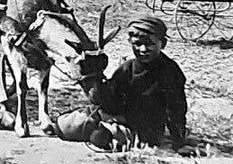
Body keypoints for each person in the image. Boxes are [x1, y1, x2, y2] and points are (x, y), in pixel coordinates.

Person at [58, 15, 189, 152]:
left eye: (150, 44)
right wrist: (94, 76)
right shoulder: (128, 67)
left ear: (162, 43)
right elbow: (109, 98)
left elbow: (176, 108)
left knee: (101, 138)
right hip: (117, 115)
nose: (143, 49)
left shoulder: (170, 71)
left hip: (144, 126)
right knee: (64, 127)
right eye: (137, 44)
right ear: (130, 43)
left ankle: (108, 131)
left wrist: (178, 141)